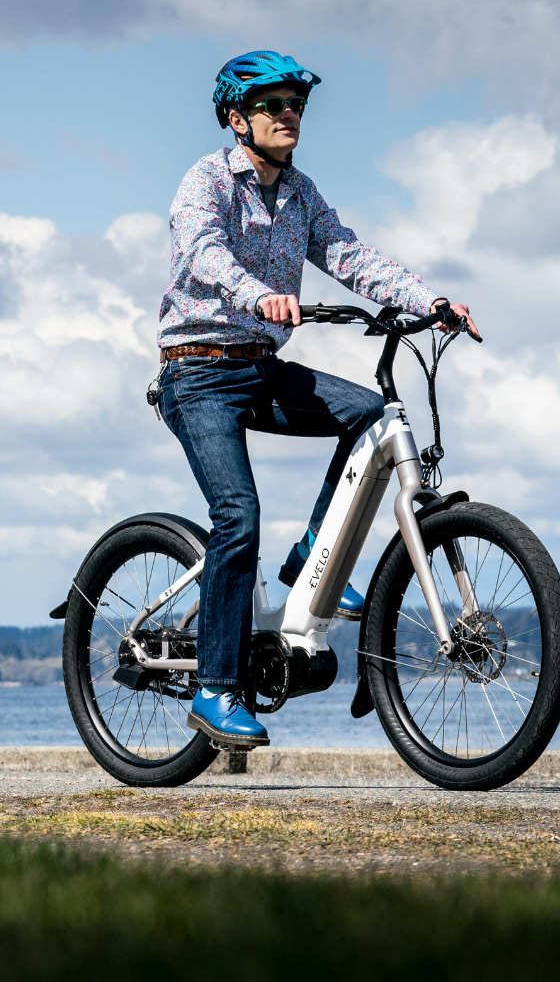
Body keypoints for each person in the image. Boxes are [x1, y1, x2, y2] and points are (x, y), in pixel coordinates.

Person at [156, 51, 479, 749]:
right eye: (273, 105)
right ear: (237, 119)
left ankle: (311, 555)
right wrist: (258, 295)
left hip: (260, 367)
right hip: (197, 373)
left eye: (296, 105)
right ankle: (215, 690)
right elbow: (203, 252)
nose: (289, 115)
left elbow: (350, 256)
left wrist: (431, 302)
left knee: (368, 414)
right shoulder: (206, 181)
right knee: (237, 515)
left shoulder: (300, 193)